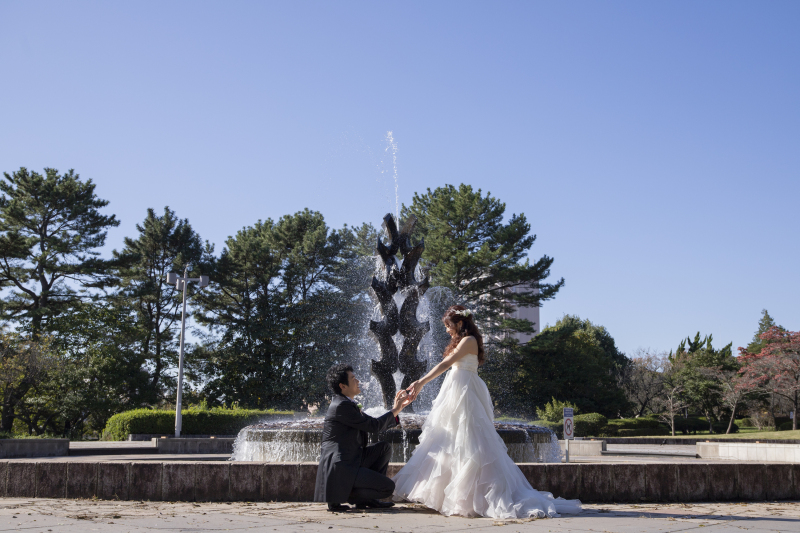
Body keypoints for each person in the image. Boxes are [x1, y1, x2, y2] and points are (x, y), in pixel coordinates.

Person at [392, 305, 582, 519]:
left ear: (460, 323)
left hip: (465, 393)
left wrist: (421, 382)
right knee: (450, 440)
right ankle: (447, 494)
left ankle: (473, 496)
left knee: (471, 441)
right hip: (454, 391)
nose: (447, 330)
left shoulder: (469, 340)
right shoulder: (462, 341)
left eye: (449, 325)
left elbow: (446, 364)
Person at [314, 363, 413, 512]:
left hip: (352, 459)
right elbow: (374, 426)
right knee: (387, 487)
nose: (358, 381)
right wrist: (395, 409)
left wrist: (396, 409)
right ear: (343, 386)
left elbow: (373, 423)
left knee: (383, 448)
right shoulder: (342, 406)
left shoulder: (347, 403)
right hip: (342, 467)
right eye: (353, 378)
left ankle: (368, 500)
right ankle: (345, 495)